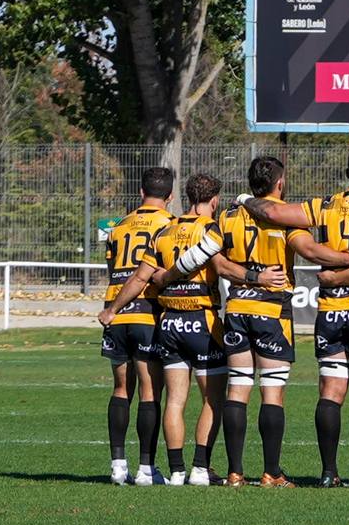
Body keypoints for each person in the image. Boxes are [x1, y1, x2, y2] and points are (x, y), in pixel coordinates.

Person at [247, 146, 349, 487]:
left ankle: (328, 473)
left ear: (347, 174)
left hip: (332, 308)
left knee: (330, 390)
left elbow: (275, 214)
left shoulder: (325, 205)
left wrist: (247, 200)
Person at [98, 173, 229, 485]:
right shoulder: (181, 225)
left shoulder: (125, 227)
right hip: (173, 315)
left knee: (133, 391)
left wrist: (113, 308)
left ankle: (140, 467)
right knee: (168, 393)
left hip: (137, 313)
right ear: (170, 196)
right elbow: (216, 267)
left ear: (141, 190)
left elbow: (123, 271)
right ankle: (168, 468)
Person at [210, 156, 301, 486]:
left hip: (236, 308)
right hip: (272, 311)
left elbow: (218, 264)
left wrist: (248, 275)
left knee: (238, 388)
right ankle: (271, 472)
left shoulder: (227, 216)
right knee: (272, 392)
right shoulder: (286, 217)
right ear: (279, 183)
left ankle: (235, 472)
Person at [97, 169, 175, 484]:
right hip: (147, 312)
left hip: (114, 312)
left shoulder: (118, 227)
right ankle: (146, 469)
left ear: (141, 192)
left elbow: (111, 267)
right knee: (149, 390)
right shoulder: (168, 225)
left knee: (120, 388)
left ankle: (118, 467)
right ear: (170, 196)